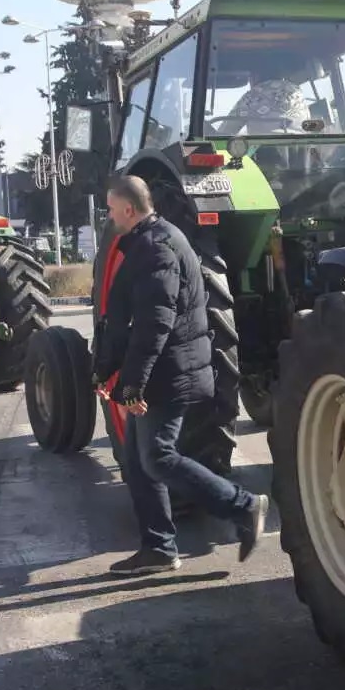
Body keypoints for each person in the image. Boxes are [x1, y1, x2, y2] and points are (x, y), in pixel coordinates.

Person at [95, 174, 268, 576]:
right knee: (140, 462)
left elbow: (155, 323)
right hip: (161, 370)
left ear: (127, 209)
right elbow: (123, 320)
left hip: (169, 373)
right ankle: (158, 547)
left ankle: (243, 506)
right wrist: (105, 372)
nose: (107, 215)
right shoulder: (148, 241)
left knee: (157, 456)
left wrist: (133, 382)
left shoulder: (157, 247)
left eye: (109, 208)